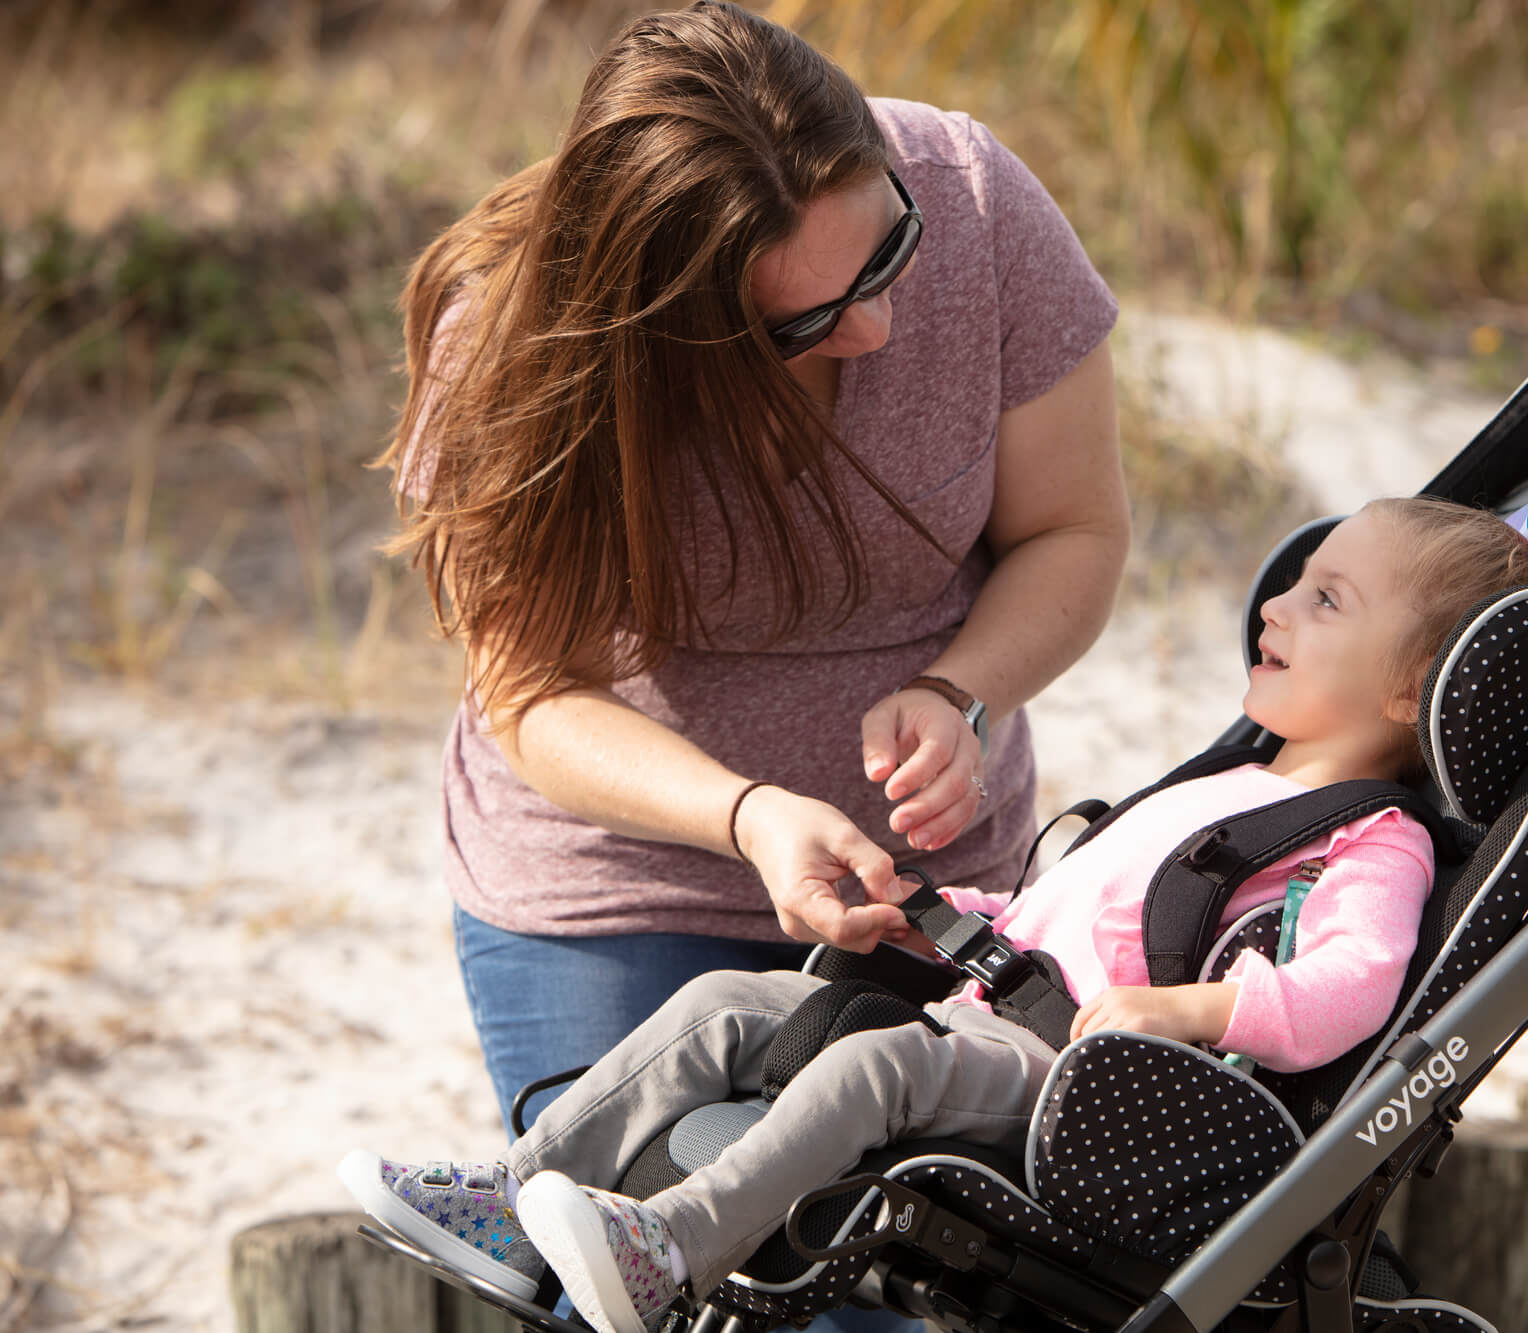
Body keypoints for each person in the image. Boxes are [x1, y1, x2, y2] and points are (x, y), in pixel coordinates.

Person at [338, 498, 1528, 1333]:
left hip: (1093, 1086)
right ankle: (523, 1200)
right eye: (1296, 575)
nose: (1274, 601)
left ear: (1416, 693)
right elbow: (1068, 914)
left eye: (1328, 597)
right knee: (726, 1003)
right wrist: (939, 916)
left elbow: (1350, 990)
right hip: (1005, 1005)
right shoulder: (1231, 782)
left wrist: (1193, 1006)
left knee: (877, 1065)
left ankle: (671, 1244)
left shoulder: (1367, 846)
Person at [377, 0, 1128, 1135]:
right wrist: (748, 816)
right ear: (665, 320)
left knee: (905, 1262)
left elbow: (1071, 532)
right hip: (615, 887)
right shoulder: (511, 338)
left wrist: (958, 689)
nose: (873, 328)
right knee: (662, 1251)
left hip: (922, 889)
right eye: (800, 319)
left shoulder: (974, 197)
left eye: (886, 251)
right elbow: (532, 692)